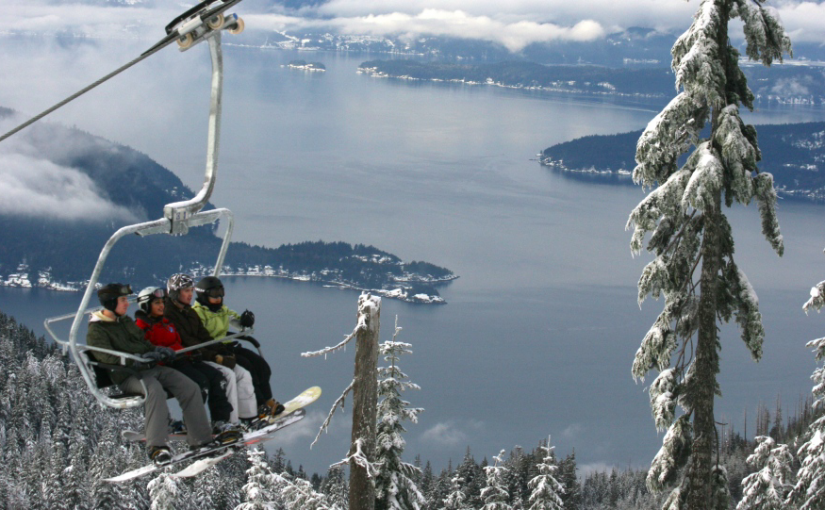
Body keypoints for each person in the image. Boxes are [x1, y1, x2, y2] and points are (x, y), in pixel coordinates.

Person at [85, 283, 220, 464]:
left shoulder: (124, 321)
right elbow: (106, 357)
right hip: (127, 375)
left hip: (148, 368)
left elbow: (143, 342)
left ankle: (200, 440)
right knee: (154, 390)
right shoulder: (97, 330)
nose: (127, 304)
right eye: (123, 300)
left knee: (190, 387)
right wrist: (137, 359)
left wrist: (157, 350)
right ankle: (157, 447)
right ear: (110, 303)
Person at [135, 286, 239, 436]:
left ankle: (220, 421)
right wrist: (162, 356)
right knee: (201, 382)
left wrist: (192, 353)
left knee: (218, 377)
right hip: (168, 365)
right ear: (146, 305)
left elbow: (178, 342)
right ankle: (193, 424)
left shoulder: (166, 322)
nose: (162, 306)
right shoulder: (142, 327)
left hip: (183, 359)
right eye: (157, 303)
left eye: (162, 302)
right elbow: (145, 349)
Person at [163, 273, 260, 427]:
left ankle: (248, 417)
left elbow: (204, 336)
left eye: (191, 290)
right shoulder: (169, 315)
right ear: (175, 293)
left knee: (243, 374)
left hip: (199, 354)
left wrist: (222, 351)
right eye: (186, 291)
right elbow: (189, 342)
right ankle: (228, 422)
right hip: (189, 358)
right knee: (226, 376)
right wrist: (215, 356)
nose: (190, 294)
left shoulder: (189, 311)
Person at [193, 275, 284, 417]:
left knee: (261, 366)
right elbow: (198, 337)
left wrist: (245, 321)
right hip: (215, 350)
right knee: (247, 367)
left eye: (221, 293)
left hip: (228, 345)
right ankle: (259, 405)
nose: (218, 298)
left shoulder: (222, 310)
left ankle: (268, 400)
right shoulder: (197, 314)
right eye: (214, 294)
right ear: (203, 295)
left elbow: (235, 320)